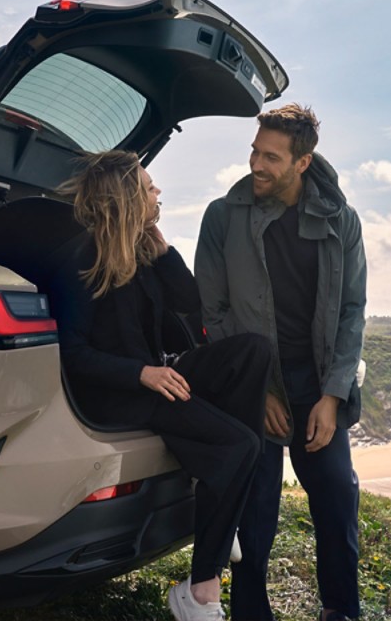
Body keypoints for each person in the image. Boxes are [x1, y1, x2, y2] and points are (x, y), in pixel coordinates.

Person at [49, 150, 272, 621]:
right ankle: (200, 592)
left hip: (155, 377)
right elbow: (72, 353)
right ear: (128, 197)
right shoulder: (82, 259)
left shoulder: (141, 253)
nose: (158, 193)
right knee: (239, 446)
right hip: (121, 394)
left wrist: (159, 242)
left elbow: (189, 302)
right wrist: (142, 375)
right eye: (149, 188)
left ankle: (222, 508)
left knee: (253, 351)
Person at [195, 104, 367, 621]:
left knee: (338, 498)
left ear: (303, 162)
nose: (257, 165)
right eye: (254, 151)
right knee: (256, 513)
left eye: (271, 157)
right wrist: (258, 389)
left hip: (316, 385)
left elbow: (352, 312)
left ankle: (341, 610)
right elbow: (213, 309)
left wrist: (332, 397)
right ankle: (251, 612)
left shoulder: (342, 221)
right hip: (253, 386)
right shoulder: (223, 217)